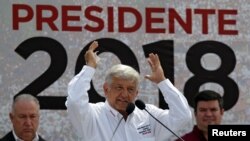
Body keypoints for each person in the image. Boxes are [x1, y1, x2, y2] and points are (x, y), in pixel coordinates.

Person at [65, 41, 192, 141]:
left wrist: (163, 82)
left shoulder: (148, 115)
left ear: (136, 93)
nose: (125, 94)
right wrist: (89, 68)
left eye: (130, 89)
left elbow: (183, 116)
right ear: (106, 89)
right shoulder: (92, 116)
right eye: (119, 87)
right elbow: (74, 101)